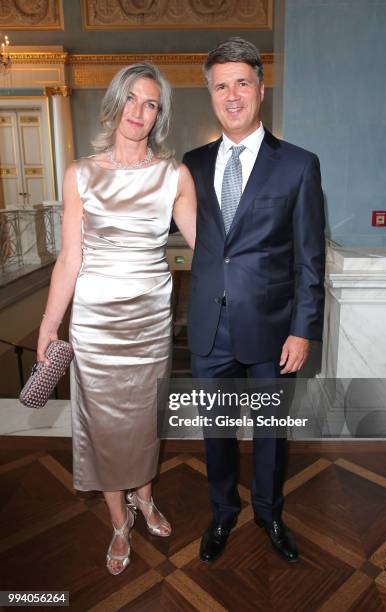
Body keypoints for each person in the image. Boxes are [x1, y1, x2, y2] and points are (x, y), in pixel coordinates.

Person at [37, 63, 196, 575]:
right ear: (116, 103)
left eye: (150, 103)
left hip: (150, 321)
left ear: (159, 115)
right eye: (132, 99)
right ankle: (118, 522)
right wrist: (47, 325)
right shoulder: (80, 173)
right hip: (95, 324)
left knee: (146, 420)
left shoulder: (174, 174)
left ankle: (144, 499)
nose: (139, 111)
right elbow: (70, 259)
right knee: (105, 426)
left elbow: (210, 249)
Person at [182, 38, 325, 564]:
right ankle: (223, 513)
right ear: (211, 94)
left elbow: (311, 259)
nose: (232, 95)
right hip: (209, 329)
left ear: (260, 89)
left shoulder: (299, 165)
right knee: (215, 434)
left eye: (242, 82)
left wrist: (302, 328)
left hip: (272, 329)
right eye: (221, 85)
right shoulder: (191, 164)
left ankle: (268, 512)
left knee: (270, 434)